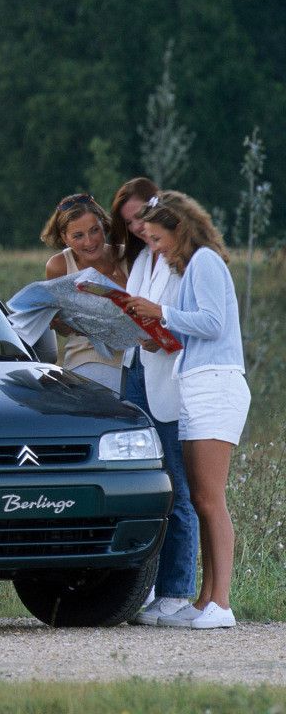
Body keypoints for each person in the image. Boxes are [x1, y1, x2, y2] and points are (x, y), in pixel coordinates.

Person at [124, 191, 249, 630]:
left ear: (180, 229)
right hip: (196, 383)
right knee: (200, 497)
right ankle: (206, 599)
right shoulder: (193, 264)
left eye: (158, 239)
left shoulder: (205, 263)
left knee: (211, 501)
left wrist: (163, 312)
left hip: (216, 382)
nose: (154, 248)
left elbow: (213, 323)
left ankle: (222, 601)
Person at [110, 178, 198, 626]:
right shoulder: (144, 258)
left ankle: (178, 590)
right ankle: (146, 590)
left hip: (168, 377)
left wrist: (157, 326)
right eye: (130, 224)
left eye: (143, 218)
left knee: (178, 487)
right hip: (136, 370)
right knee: (146, 482)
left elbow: (188, 325)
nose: (140, 229)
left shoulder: (187, 263)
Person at [40, 193, 126, 391]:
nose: (89, 242)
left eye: (94, 230)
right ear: (65, 237)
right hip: (86, 355)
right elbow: (64, 331)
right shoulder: (59, 266)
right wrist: (57, 322)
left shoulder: (125, 257)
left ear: (103, 225)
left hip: (134, 355)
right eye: (78, 236)